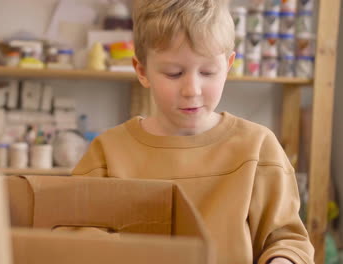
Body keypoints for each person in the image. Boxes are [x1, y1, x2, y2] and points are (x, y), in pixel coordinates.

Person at [72, 0, 314, 263]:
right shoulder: (107, 153)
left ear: (228, 65)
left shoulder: (258, 147)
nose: (192, 90)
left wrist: (282, 259)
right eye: (174, 73)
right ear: (142, 71)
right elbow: (76, 236)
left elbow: (287, 240)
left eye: (208, 72)